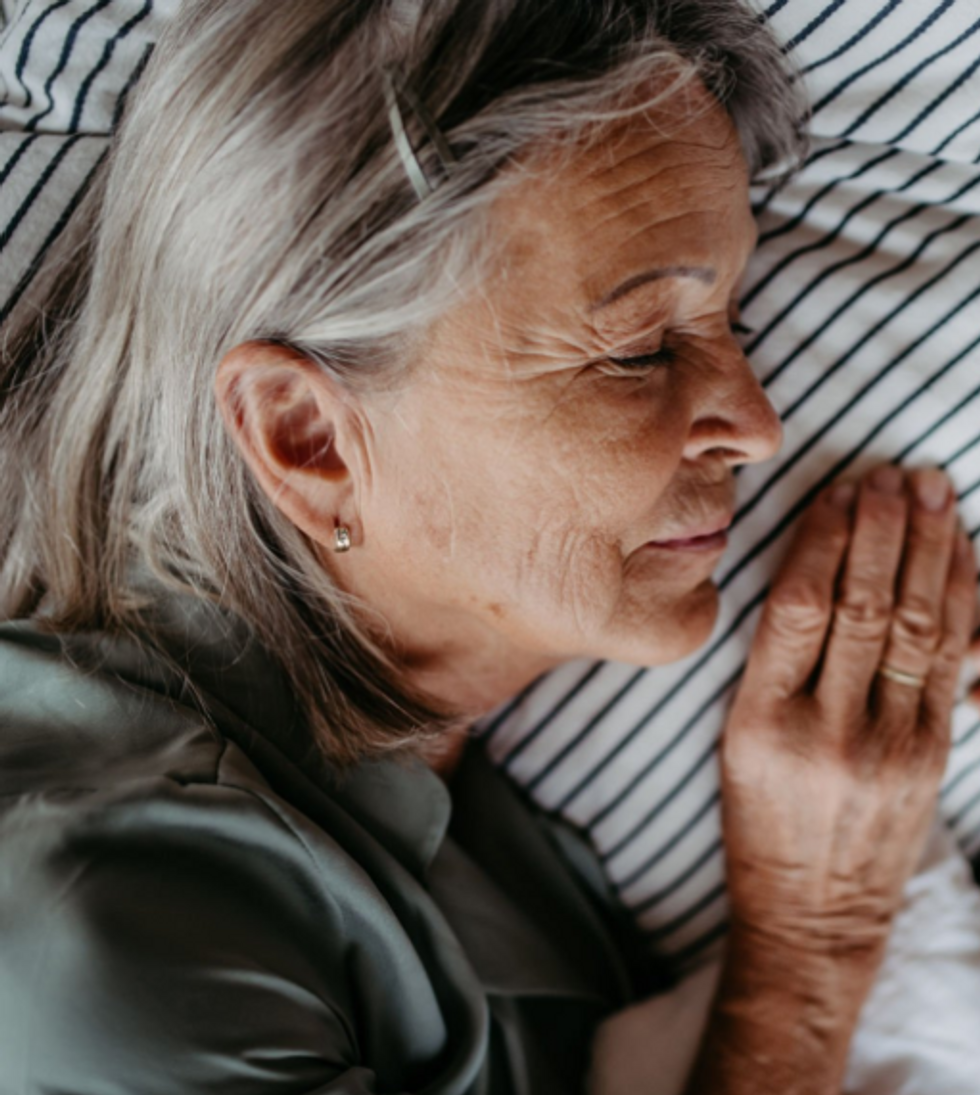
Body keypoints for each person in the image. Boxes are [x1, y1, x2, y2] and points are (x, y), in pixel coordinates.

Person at [0, 2, 976, 1093]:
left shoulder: (434, 765)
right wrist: (809, 954)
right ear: (307, 437)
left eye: (731, 327)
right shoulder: (109, 943)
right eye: (639, 350)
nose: (757, 426)